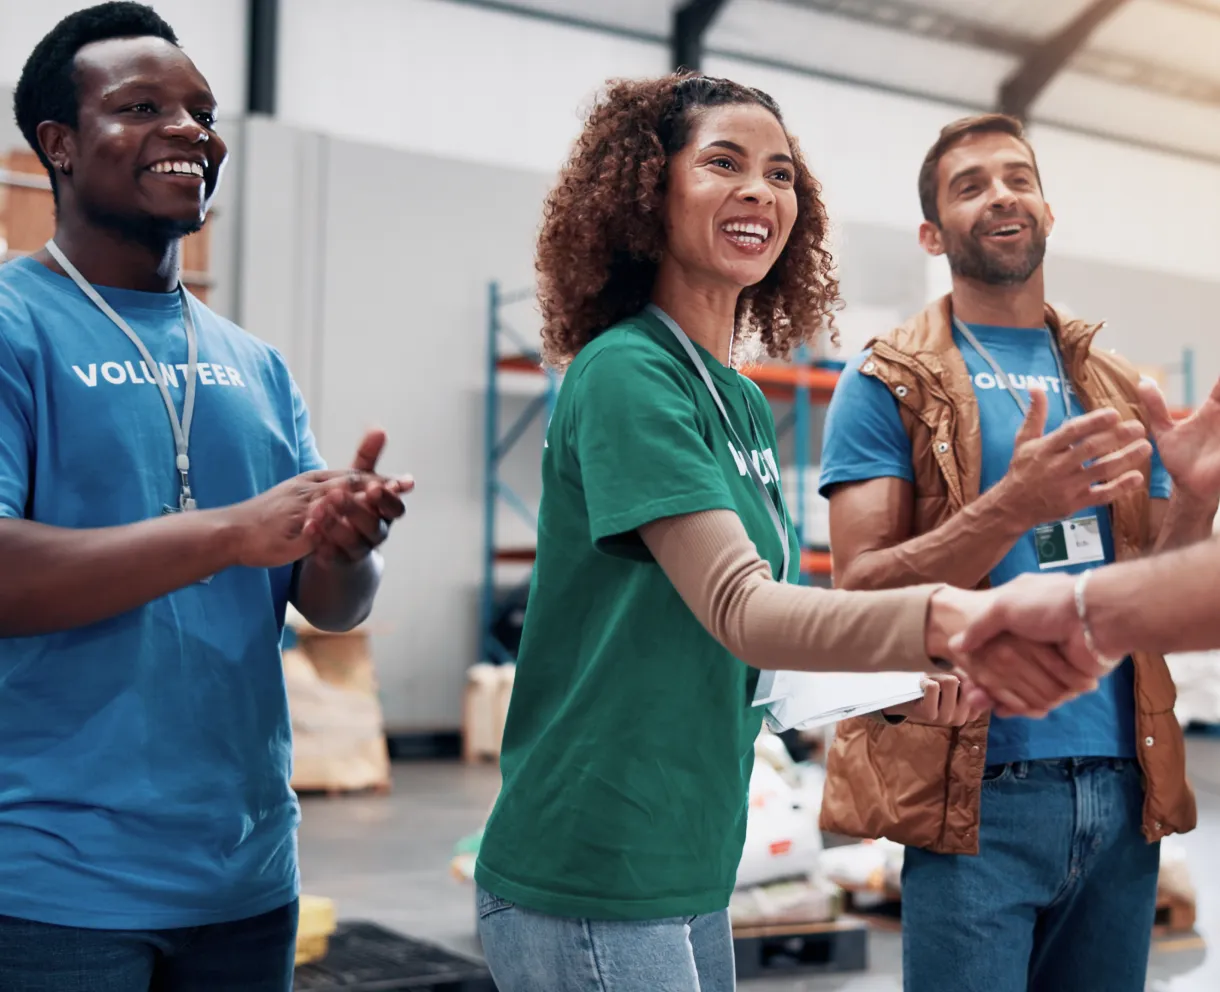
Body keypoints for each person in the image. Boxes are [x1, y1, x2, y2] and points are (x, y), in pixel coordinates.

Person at [470, 75, 1090, 992]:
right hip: (593, 866)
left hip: (688, 855)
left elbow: (760, 659)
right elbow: (741, 609)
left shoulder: (739, 404)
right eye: (723, 163)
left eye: (781, 173)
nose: (761, 191)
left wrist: (896, 689)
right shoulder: (626, 375)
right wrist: (942, 619)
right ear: (649, 193)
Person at [0, 5, 409, 989]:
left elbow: (329, 606)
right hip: (54, 879)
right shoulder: (15, 325)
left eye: (199, 111)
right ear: (57, 144)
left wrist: (341, 547)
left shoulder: (254, 364)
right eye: (141, 107)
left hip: (244, 875)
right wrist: (232, 531)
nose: (189, 131)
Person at [815, 112, 1213, 992]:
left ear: (1046, 210)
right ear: (933, 231)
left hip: (1123, 791)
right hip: (977, 796)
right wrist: (1013, 506)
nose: (1002, 194)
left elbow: (1160, 599)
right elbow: (859, 597)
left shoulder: (1112, 386)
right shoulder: (889, 381)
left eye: (1018, 177)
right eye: (971, 184)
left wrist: (1197, 495)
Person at [956, 376, 1220, 666]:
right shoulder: (907, 375)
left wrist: (1194, 499)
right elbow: (901, 597)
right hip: (976, 692)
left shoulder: (1118, 380)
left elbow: (1165, 617)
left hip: (1124, 704)